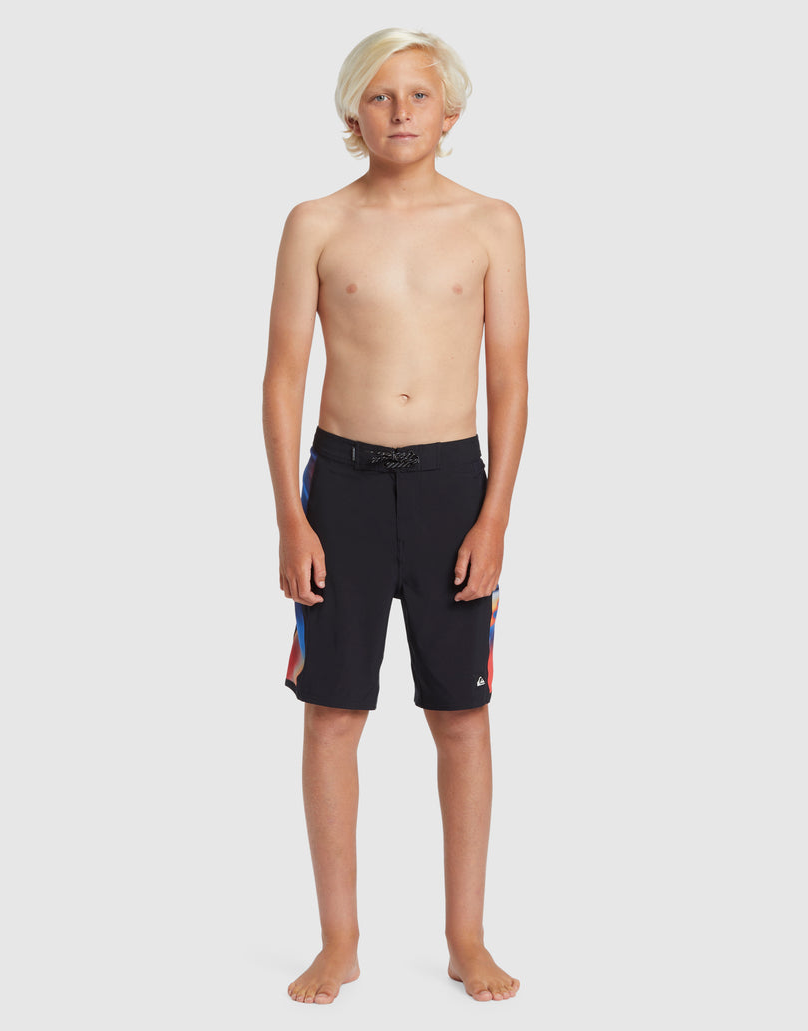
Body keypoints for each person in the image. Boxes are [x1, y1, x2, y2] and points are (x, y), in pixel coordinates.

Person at [263, 27, 528, 1004]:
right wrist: (291, 518)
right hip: (342, 487)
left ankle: (466, 936)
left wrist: (494, 516)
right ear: (353, 115)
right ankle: (339, 939)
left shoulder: (490, 223)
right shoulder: (316, 223)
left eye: (417, 95)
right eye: (379, 97)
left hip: (453, 485)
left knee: (461, 713)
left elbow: (511, 381)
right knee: (333, 712)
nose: (400, 111)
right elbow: (282, 377)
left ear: (447, 113)